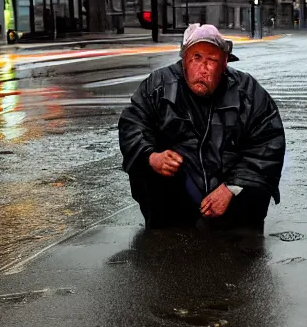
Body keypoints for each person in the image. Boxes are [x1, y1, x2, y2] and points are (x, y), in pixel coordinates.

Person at [118, 23, 285, 234]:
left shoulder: (248, 92)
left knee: (255, 187)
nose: (203, 68)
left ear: (224, 64)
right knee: (145, 167)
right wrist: (152, 157)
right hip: (179, 191)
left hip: (231, 192)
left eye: (212, 60)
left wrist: (231, 188)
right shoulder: (158, 86)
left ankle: (240, 234)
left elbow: (268, 143)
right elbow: (133, 125)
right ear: (184, 61)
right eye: (196, 57)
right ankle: (167, 229)